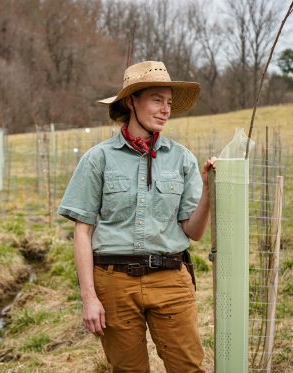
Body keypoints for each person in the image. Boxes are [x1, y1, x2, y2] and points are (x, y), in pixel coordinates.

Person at [58, 60, 215, 373]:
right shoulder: (98, 159)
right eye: (157, 99)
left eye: (169, 102)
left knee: (189, 368)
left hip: (171, 279)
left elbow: (194, 232)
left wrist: (209, 193)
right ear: (131, 101)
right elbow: (82, 232)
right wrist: (89, 298)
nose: (165, 109)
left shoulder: (181, 159)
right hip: (114, 283)